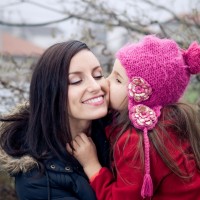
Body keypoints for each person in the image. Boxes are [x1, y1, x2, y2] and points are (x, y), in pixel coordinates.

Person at [67, 35, 200, 200]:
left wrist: (91, 165)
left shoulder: (137, 142)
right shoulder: (169, 125)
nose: (105, 82)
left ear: (140, 94)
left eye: (117, 79)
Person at [0, 40, 110, 200]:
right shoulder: (36, 181)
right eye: (76, 81)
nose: (95, 86)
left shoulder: (123, 131)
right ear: (51, 93)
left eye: (98, 75)